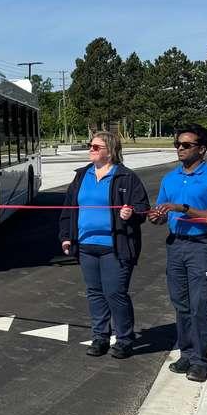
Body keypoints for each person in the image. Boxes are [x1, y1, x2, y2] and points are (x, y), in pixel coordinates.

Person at [148, 124, 207, 382]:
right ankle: (186, 352)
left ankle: (199, 359)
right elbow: (162, 212)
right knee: (181, 303)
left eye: (186, 145)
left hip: (201, 246)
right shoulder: (170, 178)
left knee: (198, 304)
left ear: (202, 149)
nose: (180, 149)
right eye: (177, 145)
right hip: (176, 244)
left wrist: (184, 208)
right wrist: (157, 217)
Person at [59, 131, 150, 359]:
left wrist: (132, 213)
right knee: (94, 293)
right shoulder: (82, 176)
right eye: (90, 145)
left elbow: (142, 207)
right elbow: (68, 209)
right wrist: (66, 236)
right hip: (86, 245)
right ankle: (100, 337)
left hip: (115, 246)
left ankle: (124, 339)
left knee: (115, 293)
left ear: (110, 151)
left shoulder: (126, 178)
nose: (91, 149)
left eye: (96, 147)